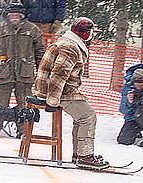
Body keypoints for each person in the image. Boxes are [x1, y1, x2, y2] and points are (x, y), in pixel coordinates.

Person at [31, 16, 109, 170]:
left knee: (82, 116)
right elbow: (58, 76)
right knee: (88, 116)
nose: (92, 36)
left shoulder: (69, 43)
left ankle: (79, 154)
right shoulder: (70, 47)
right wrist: (51, 101)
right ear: (84, 33)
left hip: (61, 90)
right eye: (91, 32)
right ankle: (84, 155)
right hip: (58, 92)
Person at [0, 0, 45, 138]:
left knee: (25, 103)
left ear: (22, 16)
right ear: (7, 16)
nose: (15, 18)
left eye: (17, 15)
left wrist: (41, 70)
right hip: (3, 72)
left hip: (25, 73)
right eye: (12, 15)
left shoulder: (33, 30)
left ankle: (23, 131)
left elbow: (40, 52)